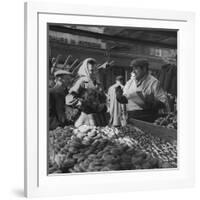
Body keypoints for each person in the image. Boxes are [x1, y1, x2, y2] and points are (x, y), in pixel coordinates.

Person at [116, 58, 169, 123]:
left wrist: (152, 103)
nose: (133, 72)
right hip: (131, 117)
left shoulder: (154, 82)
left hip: (147, 118)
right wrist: (120, 98)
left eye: (136, 69)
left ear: (144, 69)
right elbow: (126, 98)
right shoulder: (130, 82)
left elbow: (163, 101)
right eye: (133, 69)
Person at [65, 58, 107, 127]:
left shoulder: (97, 83)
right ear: (86, 69)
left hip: (97, 116)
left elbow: (102, 97)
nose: (94, 72)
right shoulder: (82, 81)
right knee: (86, 135)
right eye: (91, 70)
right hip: (84, 116)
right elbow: (69, 98)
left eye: (95, 70)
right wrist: (81, 103)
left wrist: (102, 104)